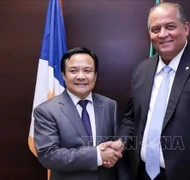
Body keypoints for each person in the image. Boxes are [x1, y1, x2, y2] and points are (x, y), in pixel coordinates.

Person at [102, 2, 190, 180]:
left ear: (186, 28)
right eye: (155, 29)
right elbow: (131, 118)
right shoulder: (142, 70)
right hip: (144, 173)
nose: (163, 34)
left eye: (170, 26)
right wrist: (121, 142)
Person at [33, 47, 130, 180]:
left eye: (87, 71)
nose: (81, 76)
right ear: (63, 75)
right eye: (73, 71)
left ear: (95, 75)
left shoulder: (109, 105)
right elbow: (48, 155)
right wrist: (97, 155)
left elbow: (115, 147)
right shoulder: (46, 111)